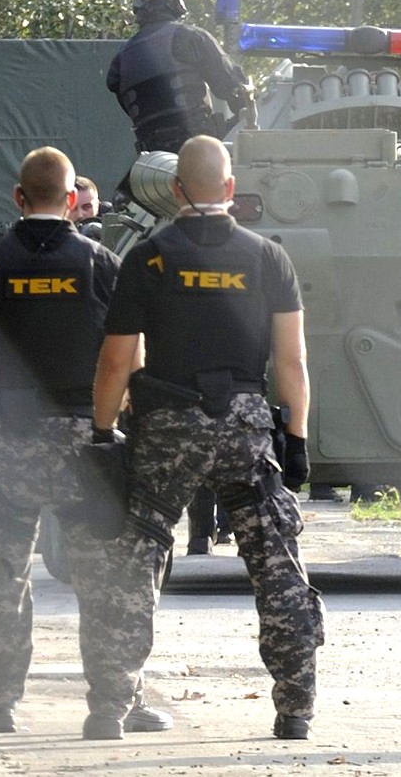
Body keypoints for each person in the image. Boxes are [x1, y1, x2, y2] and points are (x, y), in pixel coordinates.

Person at [92, 135, 323, 740]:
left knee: (137, 561)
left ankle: (109, 707)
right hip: (245, 426)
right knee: (274, 561)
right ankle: (295, 709)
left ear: (175, 190)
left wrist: (103, 431)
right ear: (230, 187)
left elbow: (116, 361)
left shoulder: (148, 259)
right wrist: (296, 437)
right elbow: (292, 361)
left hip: (167, 425)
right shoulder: (269, 258)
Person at [0, 146, 172, 737]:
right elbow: (129, 356)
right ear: (73, 199)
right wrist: (111, 422)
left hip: (9, 435)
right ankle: (111, 708)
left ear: (18, 197)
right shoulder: (102, 263)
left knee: (3, 572)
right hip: (84, 439)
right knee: (104, 580)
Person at [106, 0, 252, 154]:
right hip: (200, 151)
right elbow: (234, 88)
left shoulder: (120, 60)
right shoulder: (191, 37)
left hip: (153, 160)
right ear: (170, 0)